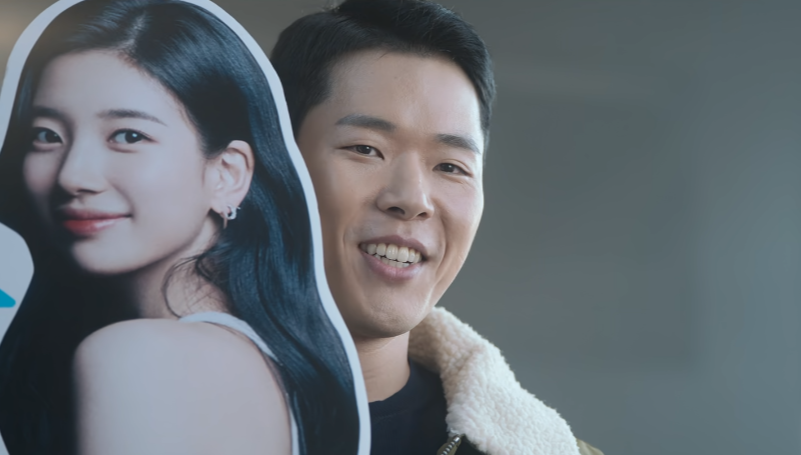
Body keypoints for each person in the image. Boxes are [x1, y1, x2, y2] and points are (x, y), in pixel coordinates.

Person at [0, 1, 361, 454]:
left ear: (226, 174)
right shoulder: (264, 357)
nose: (73, 175)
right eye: (47, 135)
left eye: (128, 135)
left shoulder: (142, 356)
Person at [271, 0, 603, 454]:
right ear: (270, 164)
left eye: (450, 166)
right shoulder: (171, 417)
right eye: (366, 149)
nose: (412, 200)